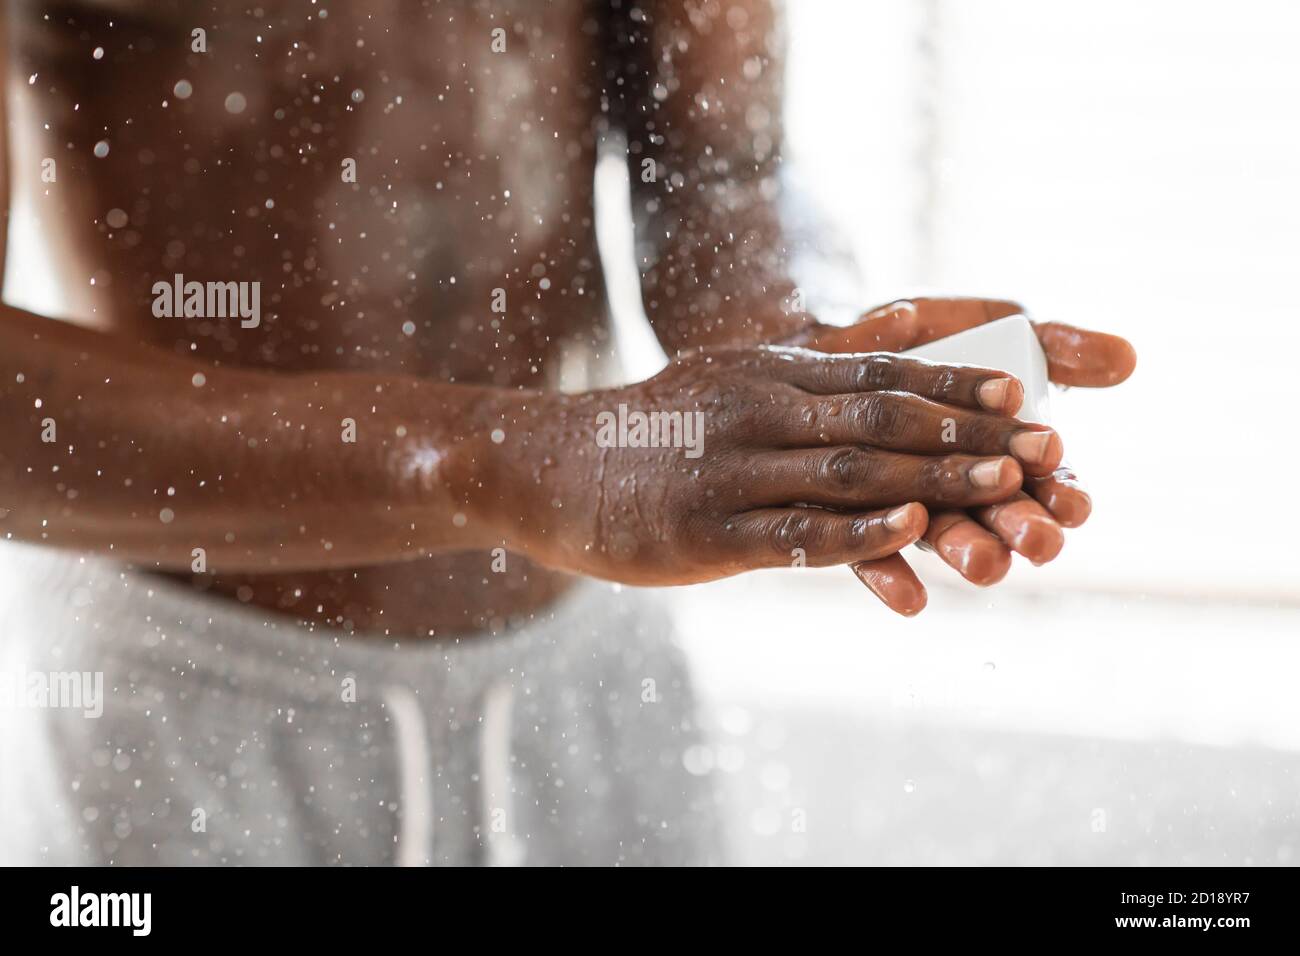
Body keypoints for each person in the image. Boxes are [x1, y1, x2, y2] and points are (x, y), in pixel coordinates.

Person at [0, 1, 1134, 865]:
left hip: (589, 674)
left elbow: (719, 174)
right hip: (186, 692)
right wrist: (500, 459)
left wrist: (811, 363)